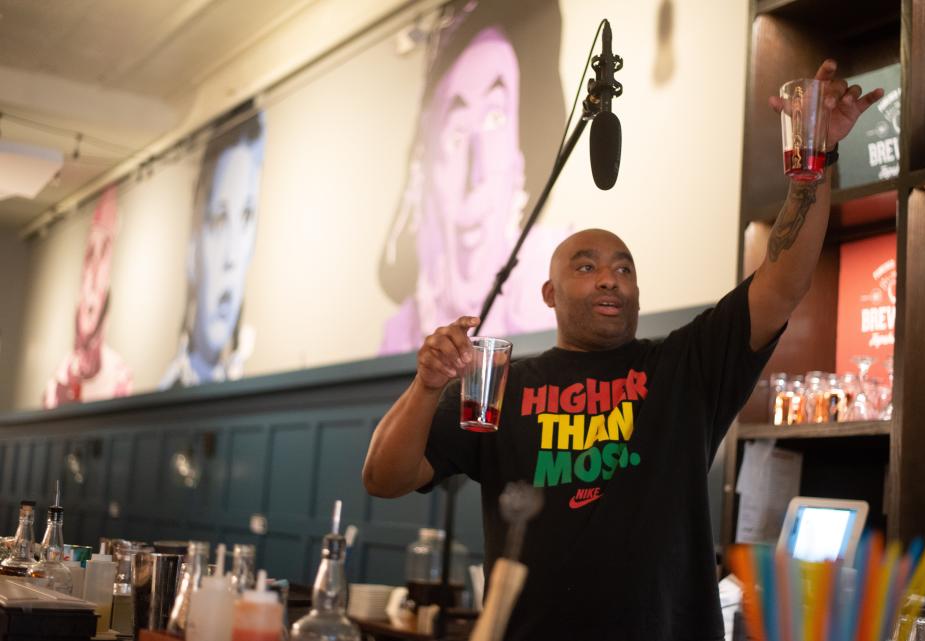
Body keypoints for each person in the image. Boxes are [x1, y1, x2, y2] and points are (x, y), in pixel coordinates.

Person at [363, 60, 883, 640]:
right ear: (549, 293)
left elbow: (784, 281)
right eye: (585, 267)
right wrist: (428, 385)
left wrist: (814, 164)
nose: (609, 279)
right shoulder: (498, 386)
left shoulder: (684, 368)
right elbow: (384, 477)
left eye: (623, 268)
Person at [378, 0, 568, 354]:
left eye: (495, 120)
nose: (475, 174)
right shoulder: (398, 336)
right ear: (425, 169)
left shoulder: (556, 296)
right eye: (455, 135)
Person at [160, 113, 265, 388]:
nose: (232, 258)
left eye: (246, 217)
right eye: (219, 220)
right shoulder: (172, 383)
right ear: (194, 241)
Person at [44, 186, 132, 408]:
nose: (93, 275)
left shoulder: (119, 377)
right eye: (90, 255)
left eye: (103, 255)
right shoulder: (59, 380)